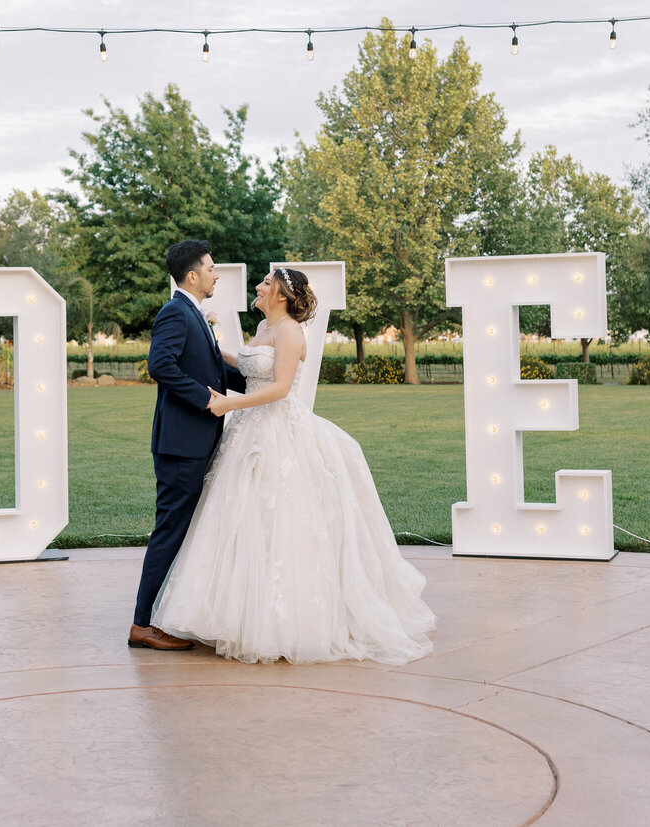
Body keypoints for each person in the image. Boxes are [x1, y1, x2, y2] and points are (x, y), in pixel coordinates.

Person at [153, 268, 435, 664]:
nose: (259, 286)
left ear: (283, 294)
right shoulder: (265, 327)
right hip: (247, 434)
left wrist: (227, 403)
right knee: (239, 521)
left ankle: (281, 623)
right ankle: (232, 616)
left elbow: (281, 388)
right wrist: (209, 349)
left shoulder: (289, 332)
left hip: (277, 433)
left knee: (280, 520)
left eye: (266, 283)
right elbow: (250, 368)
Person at [128, 240, 247, 651]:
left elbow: (208, 368)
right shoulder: (175, 312)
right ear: (192, 275)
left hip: (196, 440)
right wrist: (207, 399)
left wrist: (257, 386)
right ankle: (142, 625)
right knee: (170, 531)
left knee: (186, 530)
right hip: (181, 445)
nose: (216, 274)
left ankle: (165, 614)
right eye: (211, 268)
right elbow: (160, 366)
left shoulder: (193, 313)